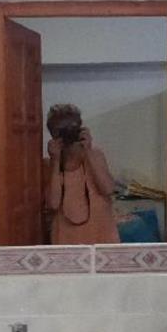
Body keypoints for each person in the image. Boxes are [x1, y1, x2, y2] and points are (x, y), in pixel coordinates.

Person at [44, 104, 120, 245]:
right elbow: (53, 204)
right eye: (61, 130)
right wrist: (55, 160)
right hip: (66, 237)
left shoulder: (95, 154)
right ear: (53, 134)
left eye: (71, 127)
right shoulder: (51, 163)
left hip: (101, 233)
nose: (67, 133)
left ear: (80, 128)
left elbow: (108, 189)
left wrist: (88, 151)